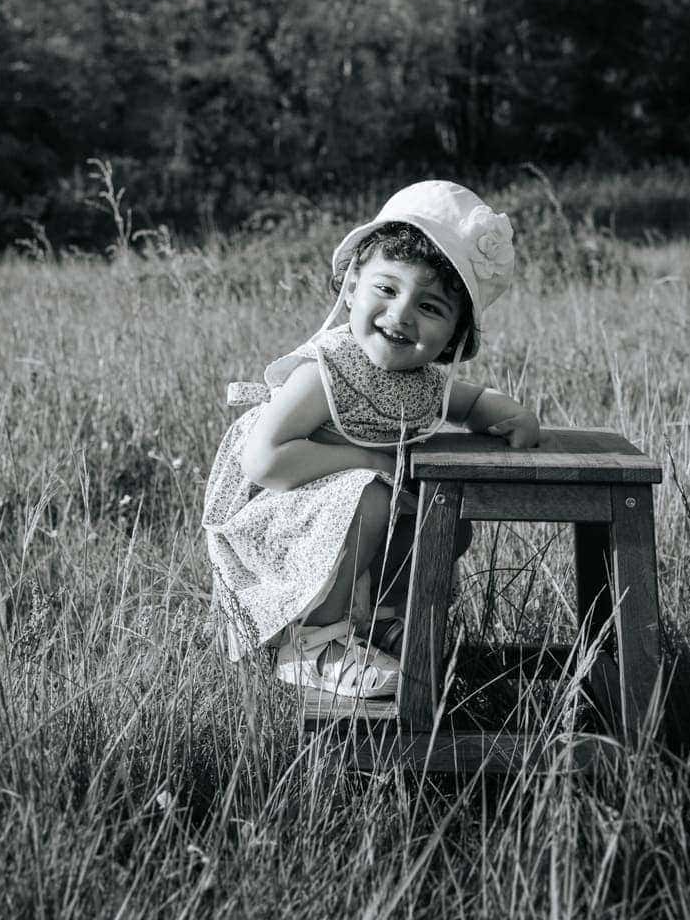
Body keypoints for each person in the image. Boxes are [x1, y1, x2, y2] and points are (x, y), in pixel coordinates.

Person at [202, 180, 541, 699]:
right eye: (386, 288)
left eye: (430, 307)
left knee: (443, 517)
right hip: (280, 518)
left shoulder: (426, 379)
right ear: (354, 282)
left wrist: (511, 414)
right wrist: (368, 458)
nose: (401, 315)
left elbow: (469, 404)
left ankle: (379, 617)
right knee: (371, 494)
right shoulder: (325, 372)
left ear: (454, 336)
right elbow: (264, 461)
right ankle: (312, 644)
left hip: (349, 510)